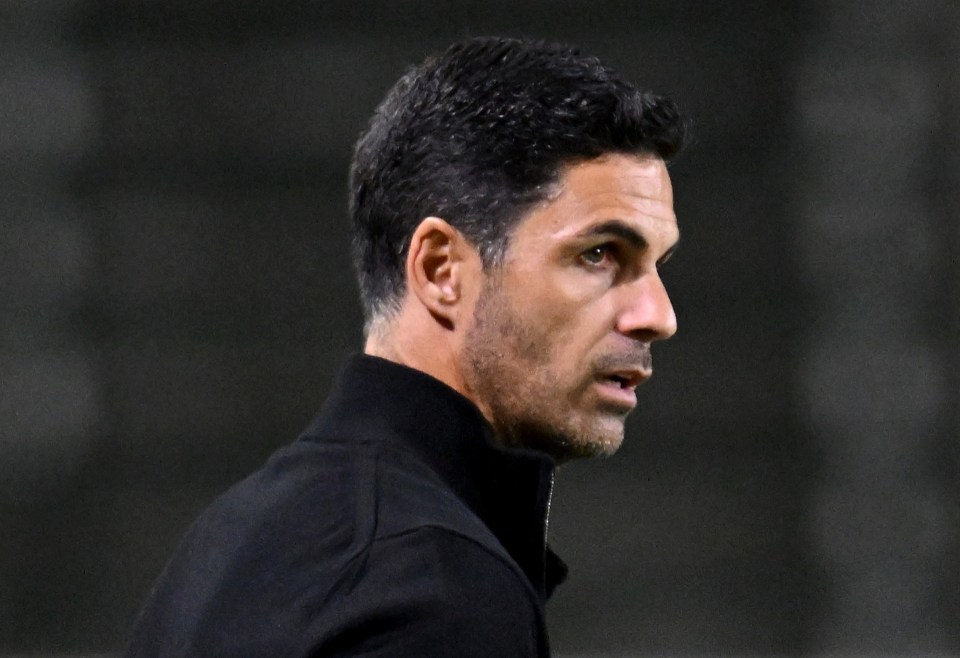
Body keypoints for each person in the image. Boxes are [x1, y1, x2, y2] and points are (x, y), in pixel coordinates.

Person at [125, 36, 687, 657]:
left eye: (658, 264)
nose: (657, 316)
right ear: (442, 270)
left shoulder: (237, 536)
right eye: (600, 254)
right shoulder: (432, 590)